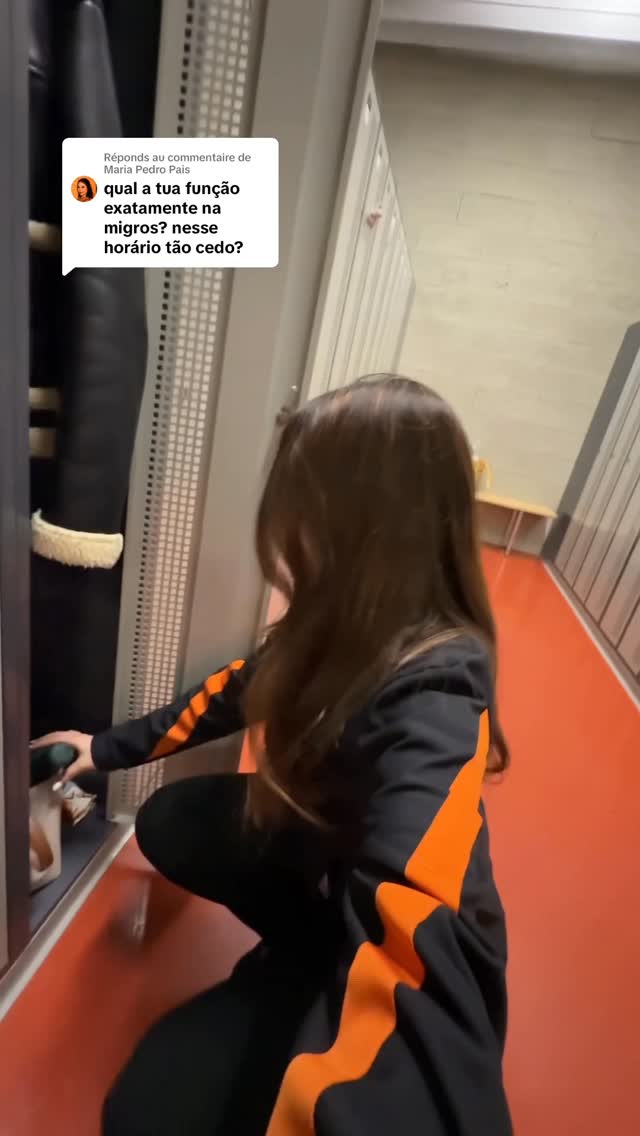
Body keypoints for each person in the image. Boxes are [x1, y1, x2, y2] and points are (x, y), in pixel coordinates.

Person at [35, 376, 513, 1135]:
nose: (286, 542)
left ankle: (312, 976)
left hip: (366, 931)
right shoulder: (344, 625)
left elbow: (422, 934)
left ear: (368, 530)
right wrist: (107, 749)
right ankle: (303, 948)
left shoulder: (440, 694)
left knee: (143, 1116)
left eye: (303, 515)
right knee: (176, 820)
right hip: (329, 880)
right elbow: (237, 689)